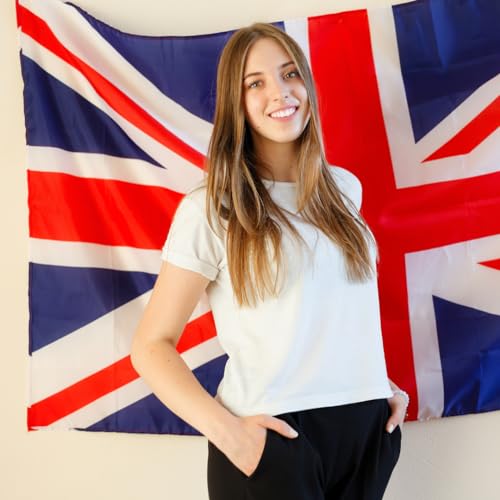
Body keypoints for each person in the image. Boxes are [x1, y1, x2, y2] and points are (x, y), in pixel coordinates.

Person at [131, 22, 409, 500]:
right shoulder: (212, 208)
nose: (280, 92)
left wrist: (376, 385)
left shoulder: (344, 190)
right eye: (255, 82)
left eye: (289, 73)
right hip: (272, 443)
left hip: (365, 435)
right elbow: (151, 346)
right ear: (235, 103)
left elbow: (330, 308)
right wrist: (232, 438)